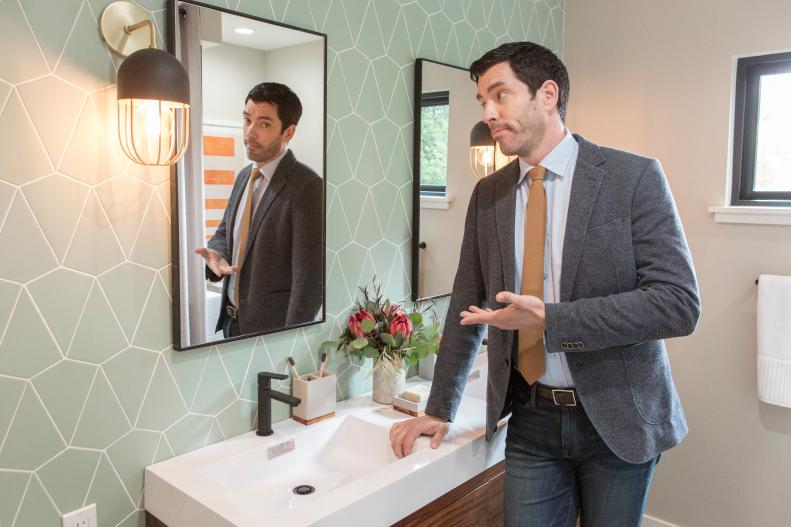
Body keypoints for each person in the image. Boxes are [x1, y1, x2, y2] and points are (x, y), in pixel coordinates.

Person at [389, 42, 700, 526]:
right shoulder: (488, 194)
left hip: (618, 417)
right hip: (531, 418)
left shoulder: (632, 178)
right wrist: (439, 406)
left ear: (548, 94)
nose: (488, 113)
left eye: (500, 95)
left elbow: (678, 304)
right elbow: (467, 306)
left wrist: (552, 319)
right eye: (481, 102)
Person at [196, 82, 323, 338]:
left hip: (272, 330)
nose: (249, 132)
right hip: (232, 322)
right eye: (247, 120)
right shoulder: (244, 176)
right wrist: (218, 255)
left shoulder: (307, 186)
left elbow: (308, 279)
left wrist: (290, 340)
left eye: (264, 124)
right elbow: (224, 231)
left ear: (288, 132)